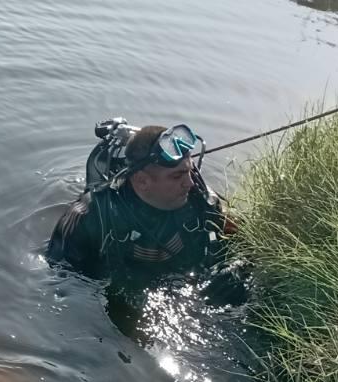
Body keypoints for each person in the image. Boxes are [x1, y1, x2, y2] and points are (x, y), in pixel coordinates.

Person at [47, 120, 235, 282]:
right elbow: (63, 277)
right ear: (142, 180)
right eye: (177, 176)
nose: (190, 183)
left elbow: (236, 237)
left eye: (189, 170)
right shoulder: (90, 216)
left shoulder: (202, 201)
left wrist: (234, 268)